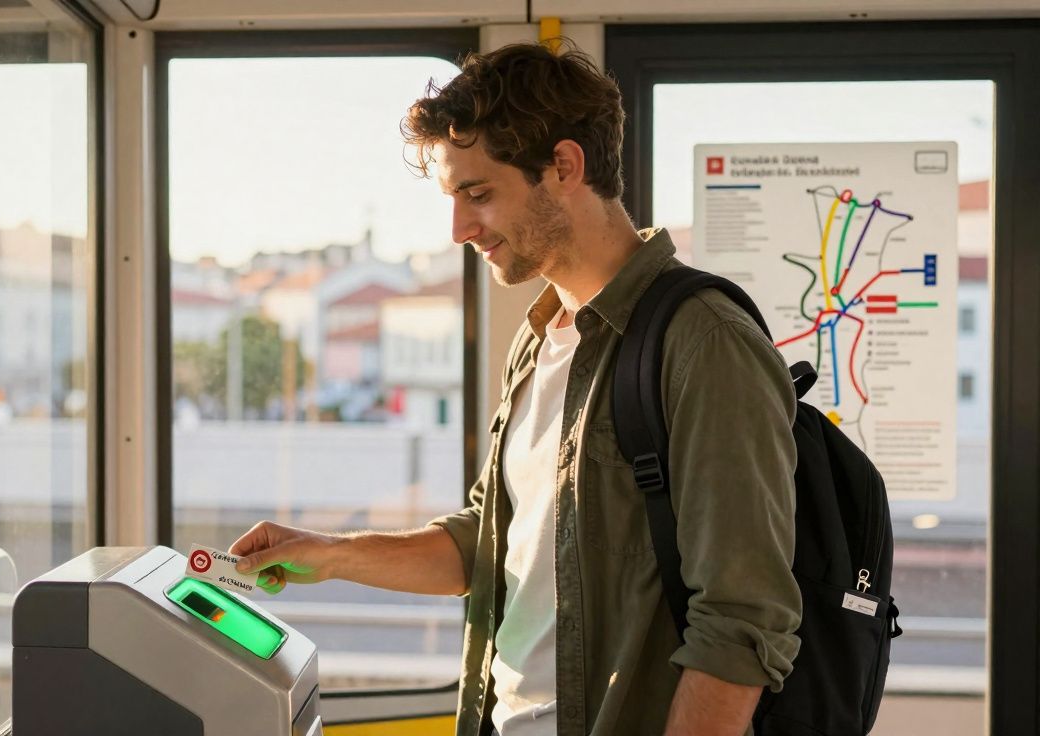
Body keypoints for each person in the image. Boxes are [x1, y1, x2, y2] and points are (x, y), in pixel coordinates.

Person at [229, 42, 801, 736]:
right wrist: (330, 553)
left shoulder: (703, 342)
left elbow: (742, 621)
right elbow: (489, 543)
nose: (459, 230)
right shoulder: (538, 339)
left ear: (564, 166)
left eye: (478, 195)